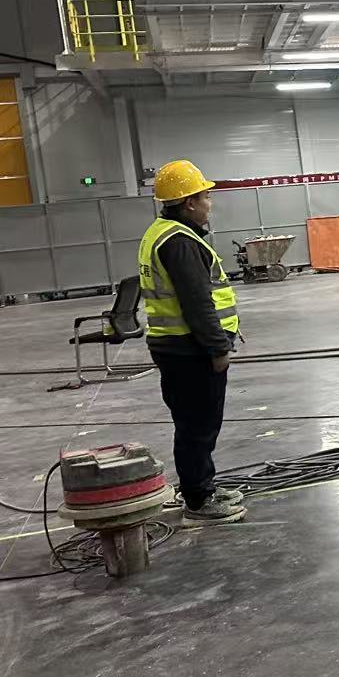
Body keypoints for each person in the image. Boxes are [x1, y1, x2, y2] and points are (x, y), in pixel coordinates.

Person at [138, 159, 245, 525]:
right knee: (198, 426)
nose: (209, 204)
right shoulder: (180, 242)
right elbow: (198, 303)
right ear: (189, 203)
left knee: (193, 424)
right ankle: (198, 500)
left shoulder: (160, 232)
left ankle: (202, 487)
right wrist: (218, 348)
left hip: (175, 347)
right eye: (205, 197)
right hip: (190, 350)